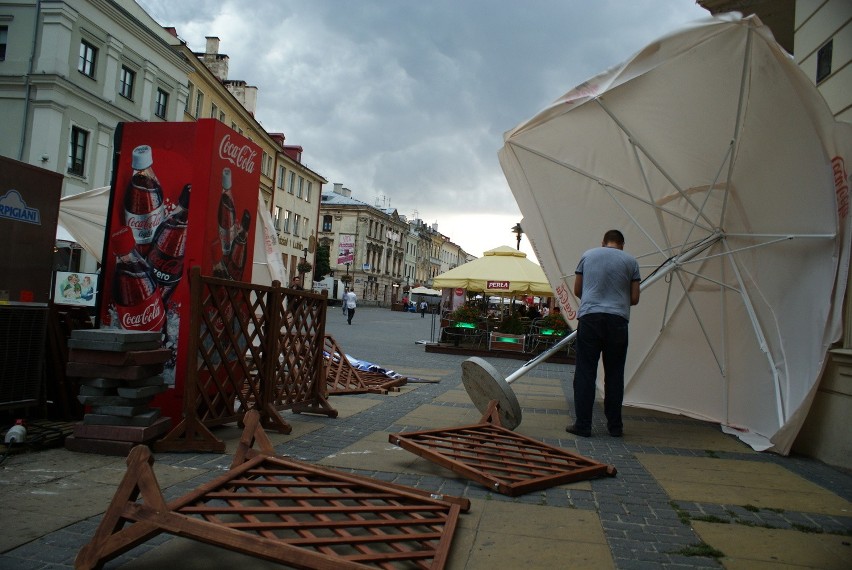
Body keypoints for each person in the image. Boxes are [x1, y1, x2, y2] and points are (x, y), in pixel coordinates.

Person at [567, 229, 640, 438]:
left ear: (603, 242)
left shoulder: (588, 256)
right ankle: (615, 427)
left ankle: (583, 425)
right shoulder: (631, 262)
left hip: (590, 318)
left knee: (585, 372)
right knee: (615, 374)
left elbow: (578, 290)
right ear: (622, 244)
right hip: (618, 321)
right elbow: (634, 298)